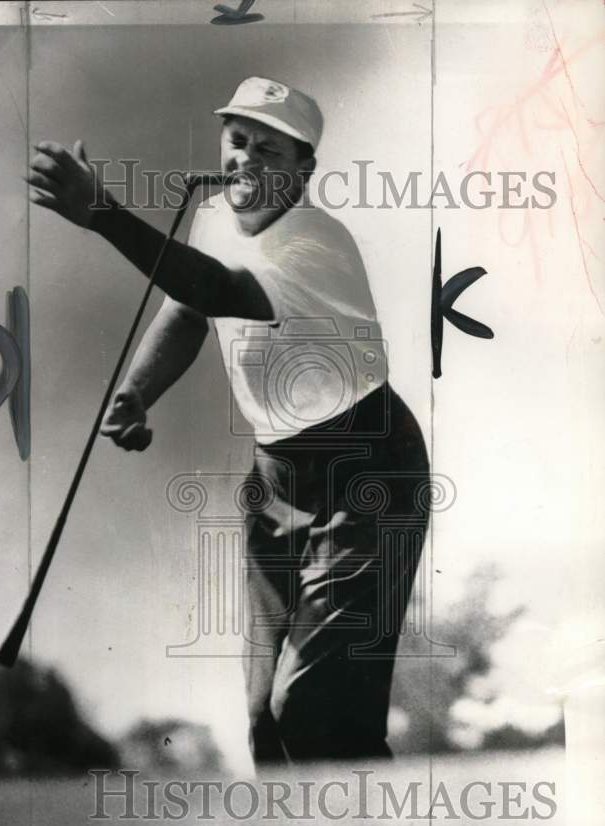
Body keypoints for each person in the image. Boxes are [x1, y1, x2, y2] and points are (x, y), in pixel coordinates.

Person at [27, 77, 430, 766]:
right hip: (277, 476)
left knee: (313, 705)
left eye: (268, 150)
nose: (244, 158)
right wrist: (138, 391)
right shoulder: (214, 215)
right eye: (237, 140)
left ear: (305, 168)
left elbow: (219, 289)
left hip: (369, 470)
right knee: (262, 716)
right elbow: (188, 310)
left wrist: (103, 215)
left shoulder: (317, 243)